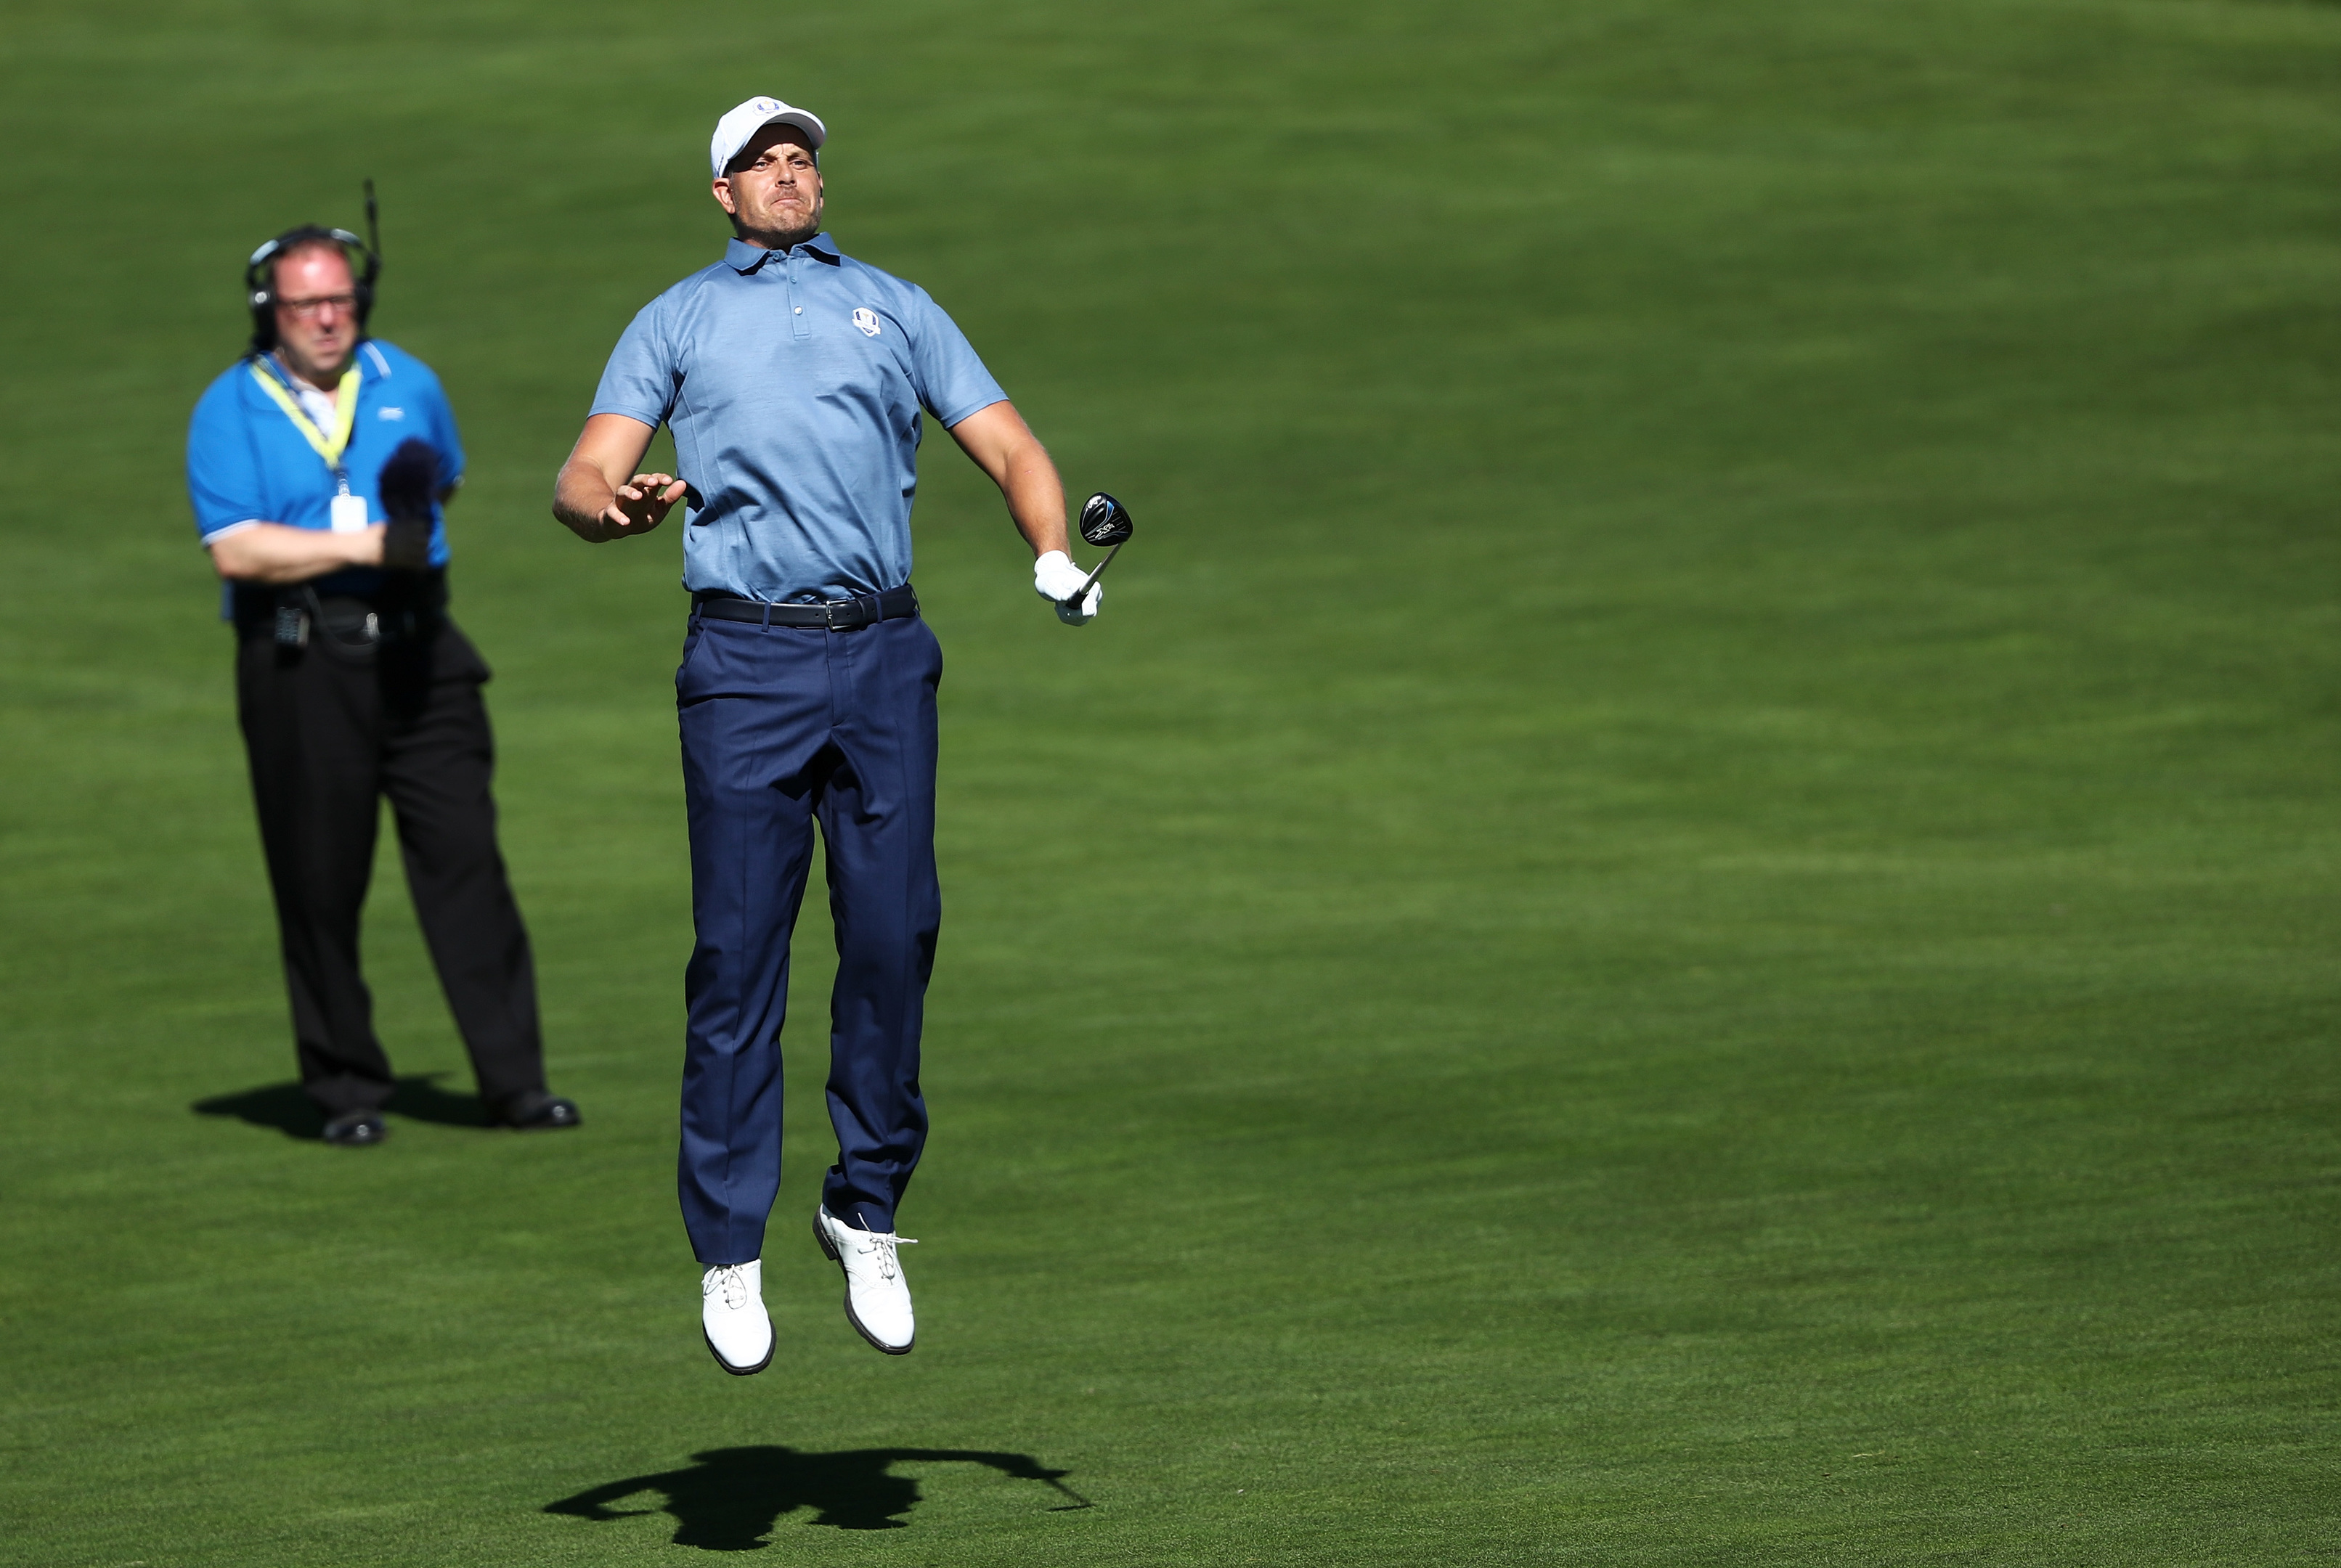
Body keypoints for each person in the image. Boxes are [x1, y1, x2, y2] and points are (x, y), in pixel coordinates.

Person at [553, 95, 1104, 1372]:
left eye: (801, 158)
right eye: (761, 163)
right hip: (742, 657)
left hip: (881, 651)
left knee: (895, 934)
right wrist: (613, 508)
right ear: (722, 196)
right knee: (738, 958)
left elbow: (1007, 441)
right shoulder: (677, 318)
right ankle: (729, 1251)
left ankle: (863, 1204)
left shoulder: (894, 304)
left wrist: (1050, 557)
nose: (789, 175)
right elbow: (583, 475)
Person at [186, 224, 579, 1148]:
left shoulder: (409, 382)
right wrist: (363, 545)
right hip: (301, 663)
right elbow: (236, 549)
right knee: (319, 879)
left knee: (468, 864)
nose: (328, 320)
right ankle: (345, 1088)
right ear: (268, 312)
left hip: (422, 655)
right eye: (304, 305)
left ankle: (515, 1084)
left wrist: (396, 538)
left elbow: (443, 481)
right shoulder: (229, 407)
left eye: (340, 301)